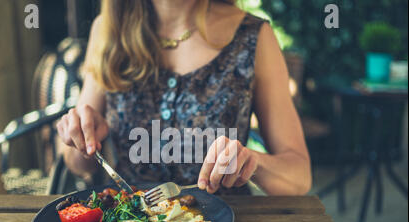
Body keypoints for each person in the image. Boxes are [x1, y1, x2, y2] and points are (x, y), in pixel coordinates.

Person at [56, 0, 312, 195]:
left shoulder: (254, 35)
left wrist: (254, 163)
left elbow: (299, 177)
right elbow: (78, 164)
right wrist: (83, 138)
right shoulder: (107, 30)